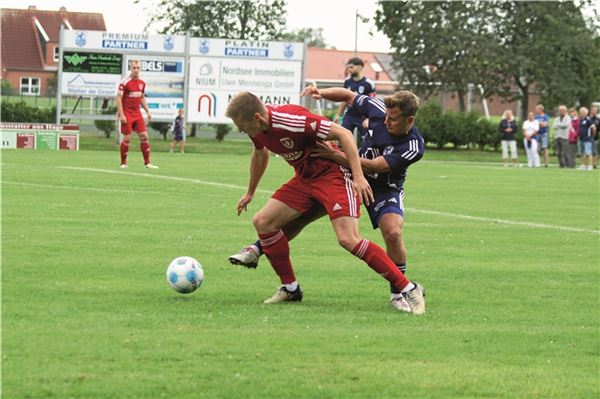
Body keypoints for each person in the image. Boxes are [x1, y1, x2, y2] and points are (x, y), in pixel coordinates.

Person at [224, 91, 426, 314]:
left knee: (352, 238)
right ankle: (290, 288)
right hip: (306, 178)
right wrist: (250, 191)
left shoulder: (293, 120)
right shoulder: (258, 127)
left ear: (257, 118)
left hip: (339, 177)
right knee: (263, 222)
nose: (242, 131)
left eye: (243, 127)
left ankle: (408, 289)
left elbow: (345, 135)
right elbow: (260, 153)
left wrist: (357, 177)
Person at [116, 60, 158, 169]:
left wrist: (148, 111)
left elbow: (142, 97)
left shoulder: (142, 82)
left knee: (144, 136)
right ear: (130, 69)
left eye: (138, 68)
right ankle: (123, 163)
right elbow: (118, 98)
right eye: (134, 68)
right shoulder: (125, 82)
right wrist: (122, 115)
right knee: (127, 138)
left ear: (140, 69)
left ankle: (147, 163)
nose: (136, 70)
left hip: (137, 114)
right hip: (127, 114)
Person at [334, 57, 376, 141]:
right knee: (342, 138)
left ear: (360, 67)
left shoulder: (368, 83)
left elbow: (373, 102)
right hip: (349, 116)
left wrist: (369, 118)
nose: (349, 69)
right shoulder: (347, 82)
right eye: (348, 67)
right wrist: (339, 115)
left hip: (363, 117)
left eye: (351, 67)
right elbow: (344, 99)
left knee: (368, 140)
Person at [577, 106, 596, 171]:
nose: (580, 113)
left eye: (581, 112)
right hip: (581, 138)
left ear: (585, 113)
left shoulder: (588, 120)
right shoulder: (581, 120)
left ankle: (590, 165)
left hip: (587, 138)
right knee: (582, 153)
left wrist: (591, 136)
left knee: (588, 153)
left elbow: (593, 128)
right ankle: (582, 165)